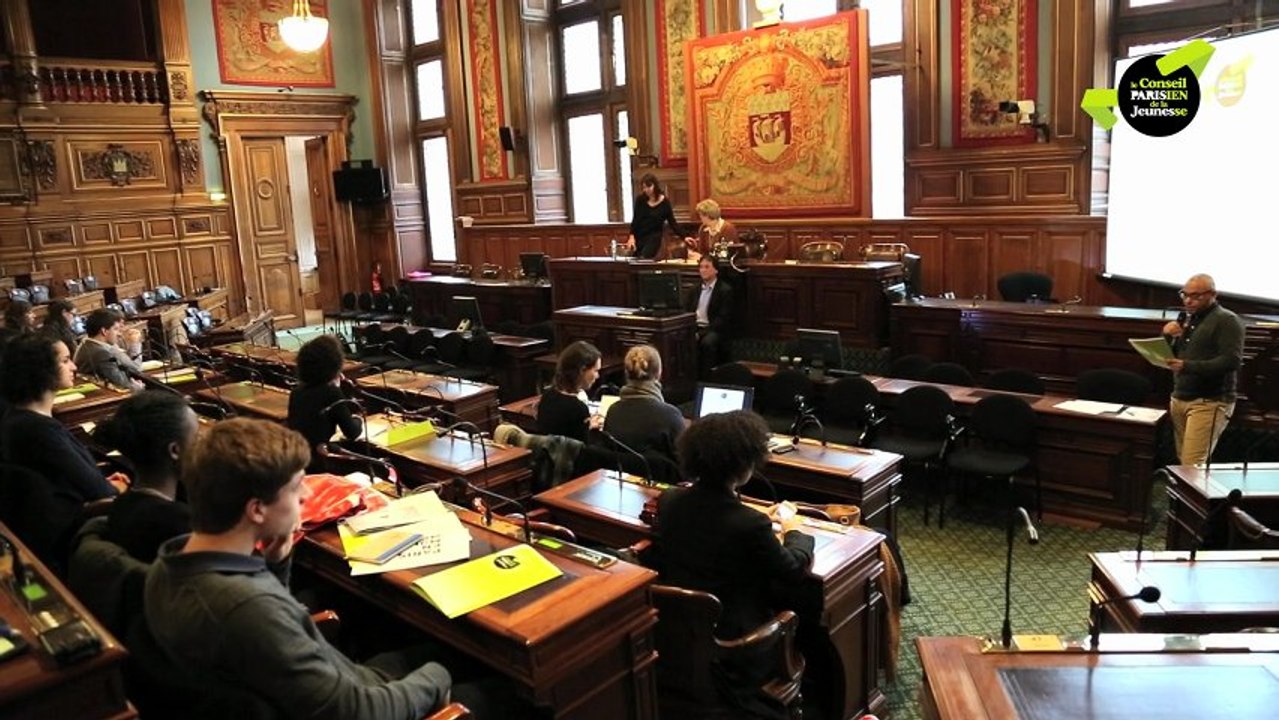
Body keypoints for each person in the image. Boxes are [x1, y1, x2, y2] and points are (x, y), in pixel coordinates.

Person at [144, 419, 465, 719]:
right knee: (469, 674)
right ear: (257, 509)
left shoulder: (168, 564)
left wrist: (276, 564)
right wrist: (439, 677)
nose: (307, 493)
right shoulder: (245, 609)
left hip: (322, 686)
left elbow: (267, 631)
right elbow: (359, 711)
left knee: (420, 649)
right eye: (297, 486)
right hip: (354, 703)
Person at [652, 410, 813, 720]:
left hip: (678, 634)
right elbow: (793, 569)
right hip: (735, 647)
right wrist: (794, 530)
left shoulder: (669, 499)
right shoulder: (750, 524)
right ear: (744, 466)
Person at [1, 335, 118, 563]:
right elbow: (100, 491)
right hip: (71, 539)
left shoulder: (20, 418)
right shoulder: (38, 430)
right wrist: (113, 487)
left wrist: (104, 481)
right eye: (65, 361)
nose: (73, 366)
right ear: (41, 369)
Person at [95, 391, 198, 563]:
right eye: (197, 438)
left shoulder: (119, 504)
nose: (203, 445)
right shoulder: (183, 524)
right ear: (175, 451)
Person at [1161, 273, 1245, 466]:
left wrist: (1187, 366)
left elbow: (1231, 361)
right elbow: (1174, 355)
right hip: (1180, 396)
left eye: (1196, 296)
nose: (1188, 301)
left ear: (1213, 295)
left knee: (1192, 465)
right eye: (1184, 295)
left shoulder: (1227, 320)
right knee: (1183, 463)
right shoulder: (1188, 319)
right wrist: (1166, 336)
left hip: (1209, 401)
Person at [288, 334, 363, 464]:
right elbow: (352, 433)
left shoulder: (296, 392)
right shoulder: (331, 392)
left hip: (300, 458)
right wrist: (359, 419)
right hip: (323, 461)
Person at [602, 345, 685, 461]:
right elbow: (684, 460)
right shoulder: (670, 415)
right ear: (659, 373)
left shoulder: (613, 411)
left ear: (626, 374)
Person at [536, 340, 602, 443]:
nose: (597, 376)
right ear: (582, 370)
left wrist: (586, 426)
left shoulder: (548, 395)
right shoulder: (577, 408)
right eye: (596, 370)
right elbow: (581, 447)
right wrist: (588, 428)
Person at [684, 254, 734, 377]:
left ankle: (707, 378)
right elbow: (687, 312)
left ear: (716, 270)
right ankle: (689, 378)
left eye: (707, 267)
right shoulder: (694, 290)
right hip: (695, 327)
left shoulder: (725, 290)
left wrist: (701, 333)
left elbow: (723, 318)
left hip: (714, 329)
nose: (703, 270)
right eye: (701, 267)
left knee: (707, 343)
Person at [74, 307, 144, 391]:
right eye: (116, 329)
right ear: (104, 331)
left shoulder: (88, 344)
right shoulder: (101, 353)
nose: (119, 334)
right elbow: (123, 384)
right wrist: (139, 387)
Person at [625, 173, 682, 260]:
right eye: (644, 187)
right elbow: (635, 220)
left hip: (654, 237)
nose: (646, 190)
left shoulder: (664, 202)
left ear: (655, 185)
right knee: (634, 261)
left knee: (644, 259)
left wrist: (684, 236)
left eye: (649, 186)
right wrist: (631, 237)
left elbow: (672, 222)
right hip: (640, 236)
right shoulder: (640, 200)